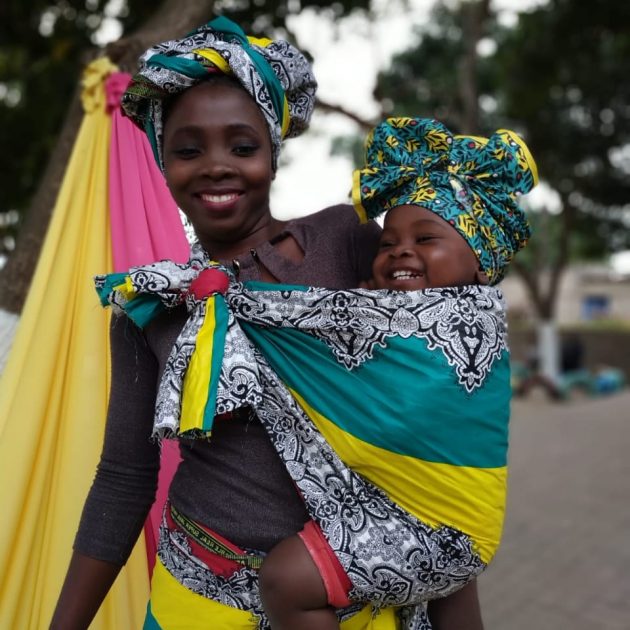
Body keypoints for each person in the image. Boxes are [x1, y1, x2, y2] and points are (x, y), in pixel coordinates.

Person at [50, 19, 482, 630]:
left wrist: (453, 590)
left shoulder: (348, 245)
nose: (216, 167)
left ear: (273, 154)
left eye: (242, 146)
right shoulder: (151, 303)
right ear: (162, 162)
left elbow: (439, 401)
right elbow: (123, 477)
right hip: (200, 601)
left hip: (355, 602)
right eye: (188, 149)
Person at [254, 116, 537, 629]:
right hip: (433, 518)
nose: (401, 249)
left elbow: (402, 406)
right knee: (452, 602)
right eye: (388, 244)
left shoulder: (472, 321)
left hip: (447, 520)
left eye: (426, 238)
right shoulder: (383, 310)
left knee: (286, 581)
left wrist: (240, 306)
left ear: (481, 265)